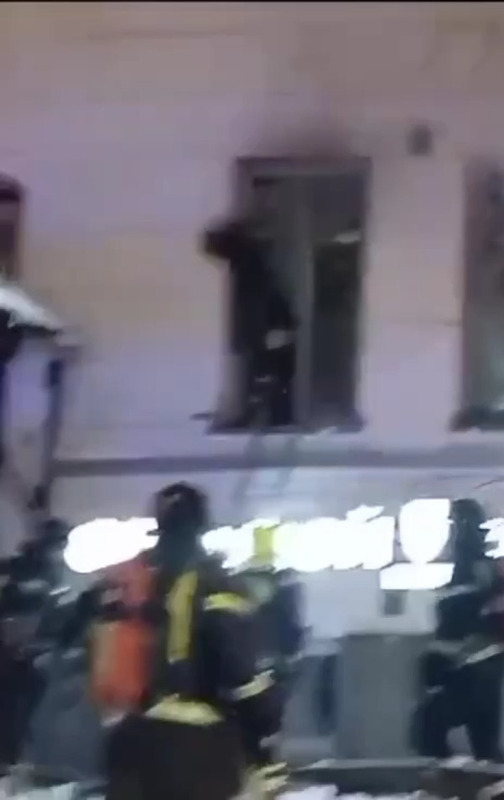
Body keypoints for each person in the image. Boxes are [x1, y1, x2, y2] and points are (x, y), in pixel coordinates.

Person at [83, 482, 285, 800]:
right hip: (196, 745)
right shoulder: (215, 583)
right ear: (202, 525)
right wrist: (264, 743)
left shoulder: (130, 582)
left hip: (130, 739)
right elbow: (241, 675)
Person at [412, 498, 504, 762]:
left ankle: (453, 778)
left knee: (430, 727)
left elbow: (462, 622)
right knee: (484, 744)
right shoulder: (480, 571)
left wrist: (437, 662)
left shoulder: (474, 570)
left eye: (452, 525)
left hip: (472, 670)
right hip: (482, 669)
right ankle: (480, 780)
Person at [202, 210, 296, 429]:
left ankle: (272, 416)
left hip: (269, 324)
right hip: (271, 323)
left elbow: (254, 301)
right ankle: (272, 415)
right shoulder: (252, 260)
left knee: (265, 371)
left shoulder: (248, 263)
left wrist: (253, 333)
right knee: (265, 370)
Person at [0, 520, 70, 771]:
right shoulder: (25, 565)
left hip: (27, 646)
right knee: (16, 696)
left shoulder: (52, 569)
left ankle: (14, 753)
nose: (61, 549)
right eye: (59, 543)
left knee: (30, 690)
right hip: (11, 648)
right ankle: (9, 755)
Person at [233, 523, 306, 703]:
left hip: (269, 677)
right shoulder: (237, 612)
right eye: (253, 578)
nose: (256, 586)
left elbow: (291, 641)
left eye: (262, 578)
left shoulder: (281, 609)